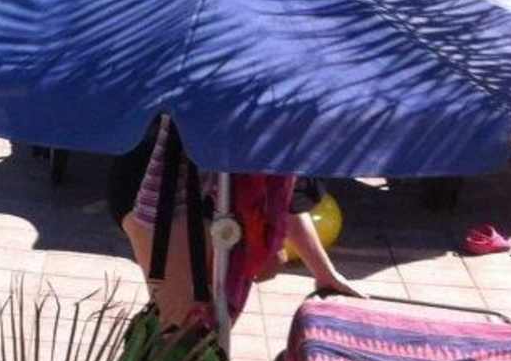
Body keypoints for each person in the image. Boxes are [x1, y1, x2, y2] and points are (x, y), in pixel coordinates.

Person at [117, 116, 360, 330]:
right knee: (181, 324)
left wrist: (324, 274)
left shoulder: (283, 147)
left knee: (211, 324)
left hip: (211, 199)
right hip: (160, 193)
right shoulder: (253, 124)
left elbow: (284, 203)